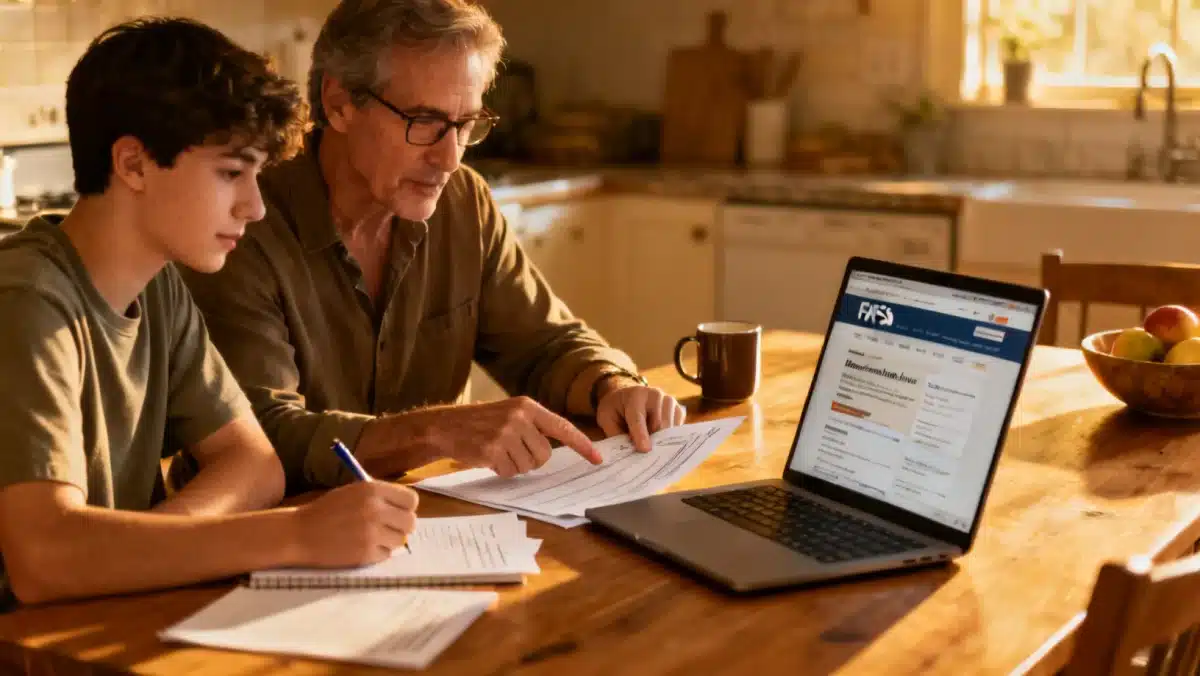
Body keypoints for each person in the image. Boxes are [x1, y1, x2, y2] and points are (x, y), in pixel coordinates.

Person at [179, 0, 687, 491]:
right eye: (423, 121)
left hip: (429, 524)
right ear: (338, 104)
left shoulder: (464, 201)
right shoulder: (243, 220)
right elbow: (257, 436)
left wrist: (612, 386)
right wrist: (435, 431)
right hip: (269, 536)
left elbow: (545, 345)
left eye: (465, 124)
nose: (449, 158)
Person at [0, 18, 419, 610]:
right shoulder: (27, 300)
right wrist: (296, 533)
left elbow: (255, 463)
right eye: (230, 173)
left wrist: (143, 554)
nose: (253, 207)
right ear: (134, 164)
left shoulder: (161, 286)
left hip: (99, 625)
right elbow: (45, 559)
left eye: (256, 176)